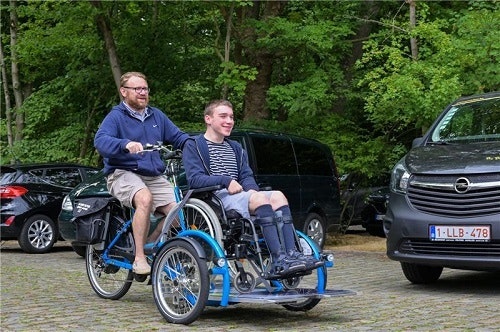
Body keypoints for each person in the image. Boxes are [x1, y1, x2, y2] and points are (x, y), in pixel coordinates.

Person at [182, 100, 322, 279]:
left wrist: (253, 191)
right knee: (260, 200)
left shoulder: (235, 148)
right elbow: (194, 179)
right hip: (214, 198)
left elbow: (246, 176)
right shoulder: (194, 145)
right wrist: (226, 181)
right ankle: (278, 260)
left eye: (231, 117)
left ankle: (292, 254)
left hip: (240, 195)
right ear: (208, 119)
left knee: (278, 196)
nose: (229, 121)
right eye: (223, 116)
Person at [94, 71, 189, 275]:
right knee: (144, 198)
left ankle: (151, 242)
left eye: (145, 89)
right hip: (122, 172)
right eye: (137, 89)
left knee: (180, 212)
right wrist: (124, 144)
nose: (142, 93)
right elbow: (100, 141)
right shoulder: (116, 116)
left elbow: (178, 136)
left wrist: (194, 145)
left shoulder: (156, 116)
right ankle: (139, 258)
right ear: (124, 92)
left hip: (153, 175)